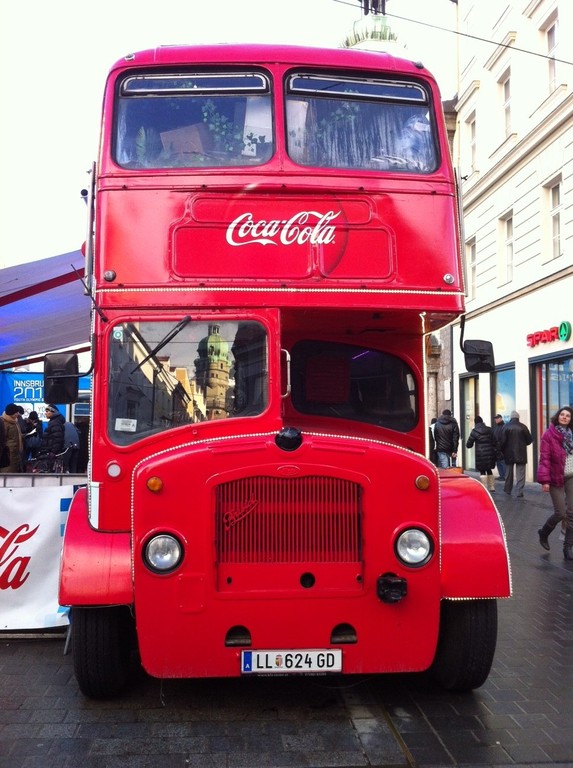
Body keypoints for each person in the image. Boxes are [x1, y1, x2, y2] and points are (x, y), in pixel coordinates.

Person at [536, 406, 573, 560]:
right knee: (560, 513)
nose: (564, 417)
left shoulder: (572, 434)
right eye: (562, 415)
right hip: (555, 478)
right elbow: (544, 459)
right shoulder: (549, 435)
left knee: (572, 513)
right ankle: (544, 533)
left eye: (568, 416)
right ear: (558, 416)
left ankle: (567, 547)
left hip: (571, 476)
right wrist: (545, 481)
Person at [500, 410, 533, 498]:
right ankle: (519, 491)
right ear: (518, 418)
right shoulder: (523, 427)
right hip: (521, 453)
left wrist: (502, 450)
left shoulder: (505, 427)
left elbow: (502, 442)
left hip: (508, 453)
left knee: (508, 473)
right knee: (521, 474)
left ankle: (507, 489)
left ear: (511, 417)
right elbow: (529, 441)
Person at [465, 415, 498, 493]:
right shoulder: (489, 430)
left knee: (482, 470)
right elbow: (495, 441)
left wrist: (469, 445)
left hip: (481, 453)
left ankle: (485, 486)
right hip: (490, 452)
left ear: (475, 422)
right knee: (489, 469)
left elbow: (469, 444)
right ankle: (492, 486)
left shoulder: (475, 431)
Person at [0, 403, 24, 473]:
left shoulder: (15, 421)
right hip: (8, 454)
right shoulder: (3, 423)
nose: (17, 414)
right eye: (15, 412)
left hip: (16, 453)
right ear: (10, 412)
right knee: (7, 474)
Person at [492, 414, 507, 481]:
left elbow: (504, 438)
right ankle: (501, 475)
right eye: (495, 418)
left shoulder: (504, 426)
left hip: (502, 448)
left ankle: (505, 476)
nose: (496, 420)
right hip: (496, 448)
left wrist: (501, 446)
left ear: (501, 418)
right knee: (498, 462)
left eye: (497, 418)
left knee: (502, 462)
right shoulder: (496, 427)